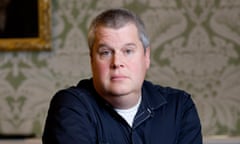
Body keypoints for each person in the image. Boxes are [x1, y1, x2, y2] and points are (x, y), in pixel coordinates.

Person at [42, 8, 202, 144]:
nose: (117, 62)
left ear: (146, 57)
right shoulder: (71, 107)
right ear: (91, 60)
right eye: (105, 52)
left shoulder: (179, 107)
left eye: (128, 51)